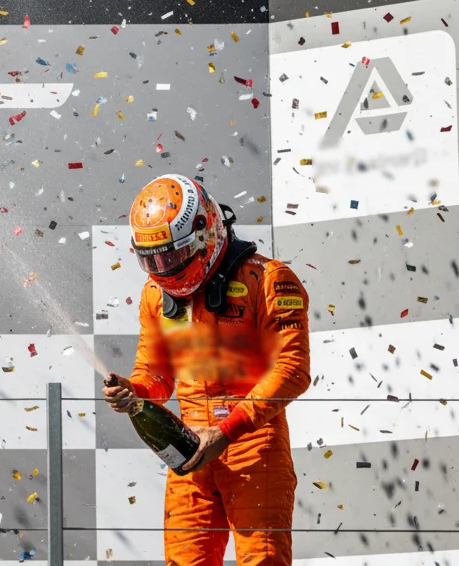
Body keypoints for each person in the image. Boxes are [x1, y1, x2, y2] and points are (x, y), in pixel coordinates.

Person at [102, 174, 311, 566]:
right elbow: (157, 377)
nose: (163, 269)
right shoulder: (154, 295)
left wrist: (227, 430)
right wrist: (133, 391)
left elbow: (294, 369)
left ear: (205, 233)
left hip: (254, 449)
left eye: (170, 257)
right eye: (152, 260)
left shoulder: (268, 280)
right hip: (189, 451)